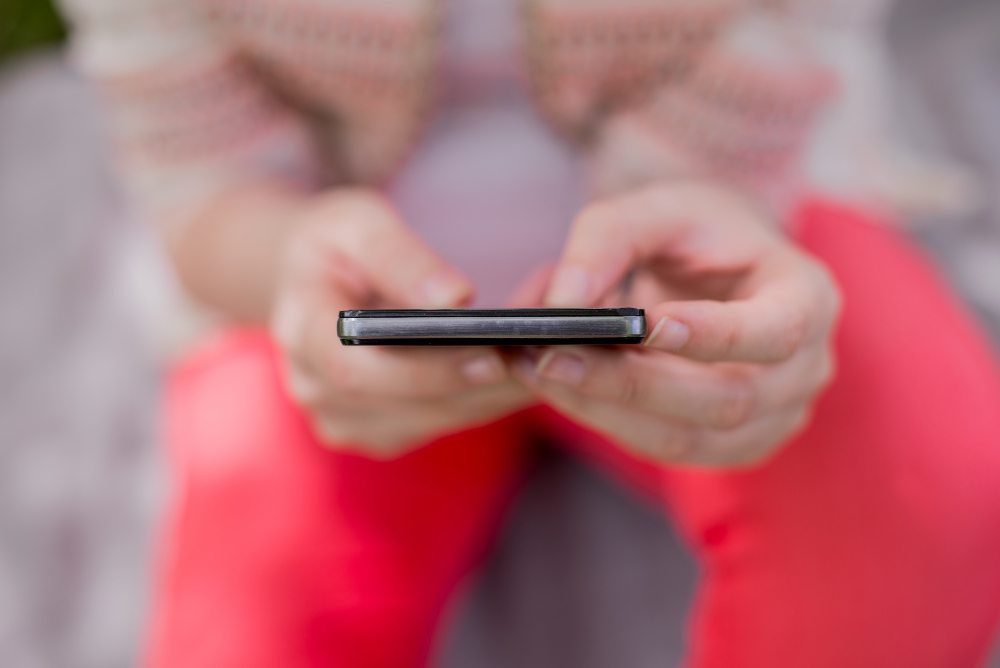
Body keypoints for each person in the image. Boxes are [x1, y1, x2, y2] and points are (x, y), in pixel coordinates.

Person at [62, 0, 1000, 665]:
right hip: (319, 277)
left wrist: (701, 216)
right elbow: (197, 175)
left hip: (741, 192)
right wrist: (293, 268)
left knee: (928, 504)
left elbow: (792, 31)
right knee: (250, 615)